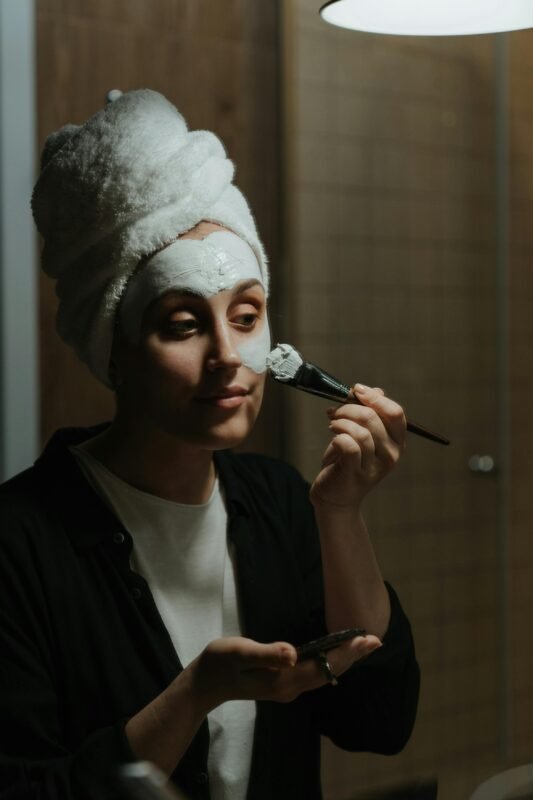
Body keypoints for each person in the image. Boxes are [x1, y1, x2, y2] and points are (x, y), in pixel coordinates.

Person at [0, 89, 419, 800]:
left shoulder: (279, 502)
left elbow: (378, 721)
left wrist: (341, 513)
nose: (228, 355)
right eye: (184, 324)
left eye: (246, 316)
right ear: (114, 350)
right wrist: (194, 694)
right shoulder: (21, 543)